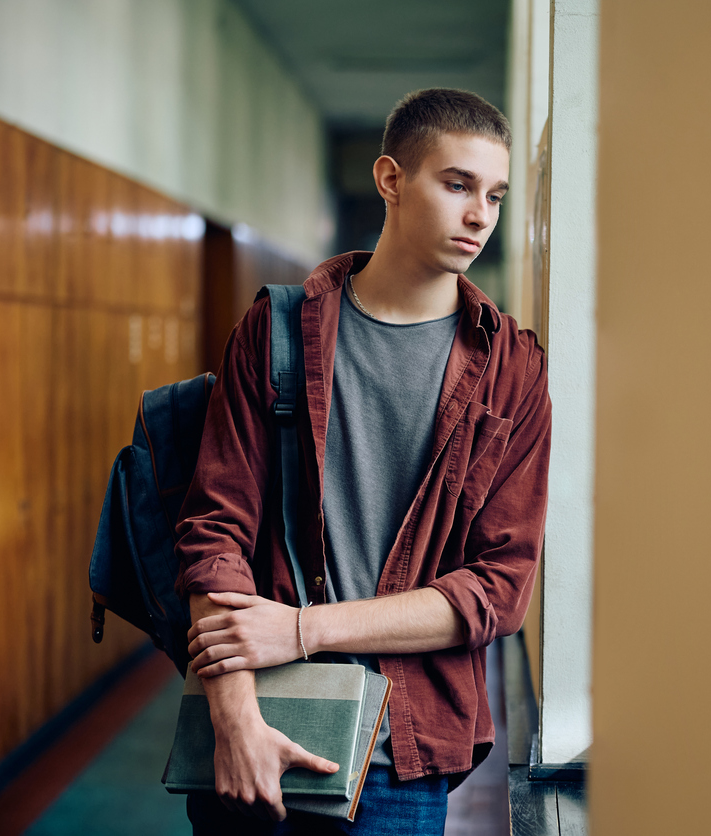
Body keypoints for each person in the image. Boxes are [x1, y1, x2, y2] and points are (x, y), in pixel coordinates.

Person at [172, 87, 550, 835]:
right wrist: (235, 720)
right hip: (257, 735)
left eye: (496, 195)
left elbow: (498, 591)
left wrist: (305, 629)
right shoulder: (278, 333)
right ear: (390, 180)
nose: (481, 215)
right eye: (457, 184)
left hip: (401, 761)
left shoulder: (513, 370)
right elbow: (213, 533)